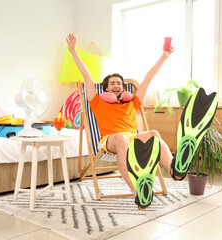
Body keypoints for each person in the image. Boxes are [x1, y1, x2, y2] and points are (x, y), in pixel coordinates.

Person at [66, 33, 176, 210]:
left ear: (123, 88)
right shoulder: (97, 101)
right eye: (112, 83)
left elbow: (148, 79)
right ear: (106, 88)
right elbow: (86, 75)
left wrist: (163, 57)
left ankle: (174, 168)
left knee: (154, 134)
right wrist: (73, 51)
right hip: (112, 140)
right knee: (122, 139)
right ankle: (137, 192)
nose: (116, 85)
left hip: (133, 139)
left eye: (119, 83)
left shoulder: (132, 102)